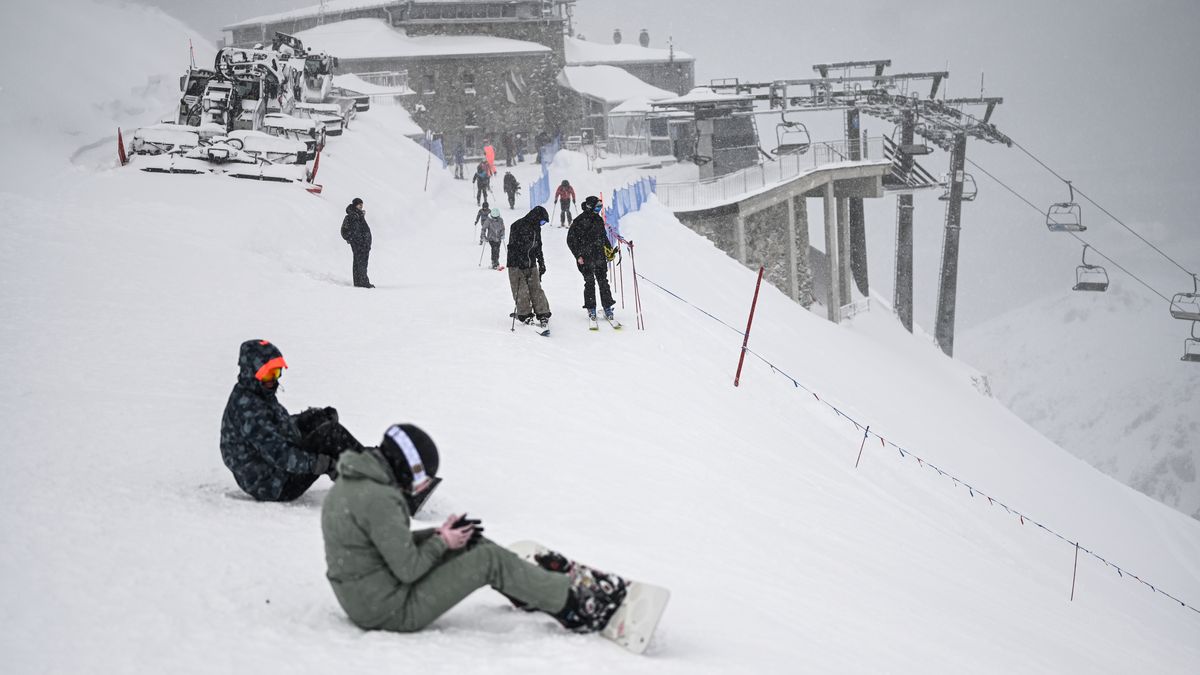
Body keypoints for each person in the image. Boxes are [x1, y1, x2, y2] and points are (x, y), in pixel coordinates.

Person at [321, 424, 626, 634]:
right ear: (405, 467)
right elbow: (408, 569)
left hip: (371, 595)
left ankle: (527, 589)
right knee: (488, 561)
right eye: (420, 478)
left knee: (470, 543)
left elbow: (379, 548)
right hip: (388, 610)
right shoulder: (380, 499)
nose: (419, 488)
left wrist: (442, 535)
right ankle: (575, 608)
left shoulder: (356, 482)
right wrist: (441, 541)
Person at [220, 339, 364, 502]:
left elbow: (275, 428)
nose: (274, 380)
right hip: (276, 484)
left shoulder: (255, 392)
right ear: (251, 372)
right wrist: (318, 463)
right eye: (268, 374)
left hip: (277, 469)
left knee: (320, 420)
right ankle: (375, 474)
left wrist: (304, 420)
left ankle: (369, 464)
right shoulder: (249, 410)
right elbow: (278, 453)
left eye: (277, 372)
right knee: (329, 434)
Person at [567, 195, 616, 322]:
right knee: (589, 282)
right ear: (590, 206)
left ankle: (607, 307)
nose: (599, 209)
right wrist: (578, 255)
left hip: (599, 256)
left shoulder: (599, 220)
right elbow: (570, 240)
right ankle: (591, 308)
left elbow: (603, 236)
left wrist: (609, 249)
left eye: (601, 207)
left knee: (603, 282)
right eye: (597, 206)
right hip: (585, 258)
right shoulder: (579, 221)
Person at [506, 206, 552, 328]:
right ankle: (525, 314)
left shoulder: (536, 228)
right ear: (536, 217)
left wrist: (541, 263)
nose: (542, 225)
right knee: (521, 291)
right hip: (516, 265)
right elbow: (513, 246)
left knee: (536, 288)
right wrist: (518, 261)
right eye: (542, 221)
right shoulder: (517, 225)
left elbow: (538, 246)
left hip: (531, 264)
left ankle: (543, 313)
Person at [341, 197, 374, 288]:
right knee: (361, 263)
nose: (361, 206)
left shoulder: (359, 216)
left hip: (364, 245)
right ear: (355, 205)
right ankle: (363, 282)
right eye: (359, 205)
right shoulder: (351, 216)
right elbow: (344, 231)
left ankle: (359, 282)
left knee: (359, 263)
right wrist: (353, 239)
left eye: (362, 205)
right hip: (358, 244)